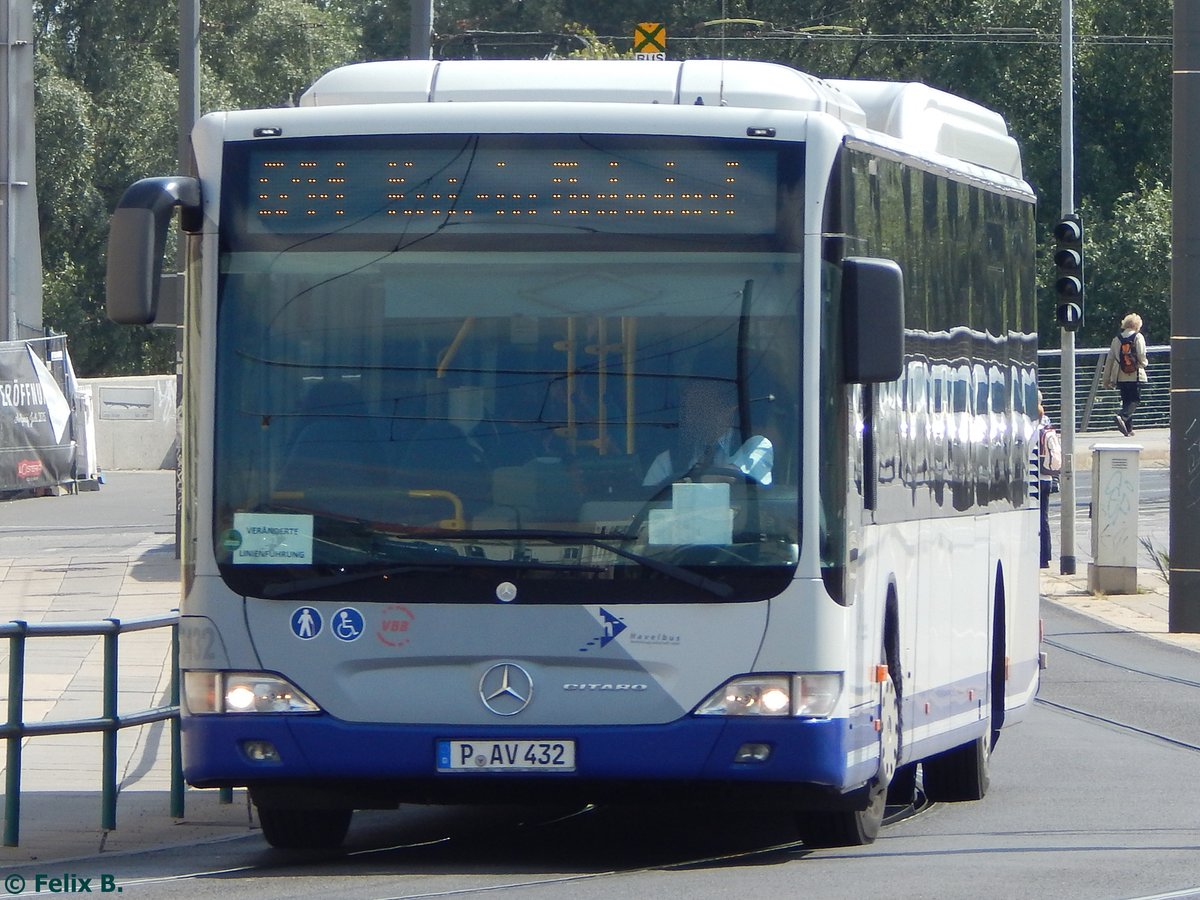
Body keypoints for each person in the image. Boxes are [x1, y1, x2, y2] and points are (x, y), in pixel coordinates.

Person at [1102, 313, 1148, 436]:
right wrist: (1144, 364)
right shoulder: (1138, 337)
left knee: (1126, 399)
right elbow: (1142, 356)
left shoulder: (1116, 339)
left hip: (1120, 375)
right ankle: (1122, 416)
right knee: (1134, 400)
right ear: (1137, 325)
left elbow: (1110, 359)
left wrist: (1106, 379)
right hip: (1135, 374)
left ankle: (1128, 429)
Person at [1036, 395, 1061, 569]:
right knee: (1043, 518)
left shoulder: (1031, 429)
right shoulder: (1048, 427)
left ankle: (1038, 554)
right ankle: (1045, 556)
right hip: (1047, 478)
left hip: (1034, 479)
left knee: (1033, 519)